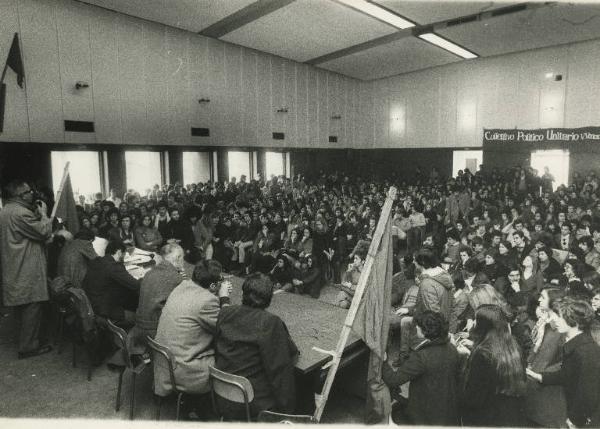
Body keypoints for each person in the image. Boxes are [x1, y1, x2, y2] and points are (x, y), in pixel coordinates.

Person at [215, 273, 298, 418]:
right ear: (269, 300)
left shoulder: (224, 313)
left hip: (221, 395)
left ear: (242, 294)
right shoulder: (270, 323)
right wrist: (287, 412)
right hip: (252, 403)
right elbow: (280, 369)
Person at [154, 259, 232, 397]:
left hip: (164, 364)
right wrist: (224, 298)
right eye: (221, 279)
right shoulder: (208, 301)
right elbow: (227, 329)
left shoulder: (182, 285)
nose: (223, 281)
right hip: (184, 370)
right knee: (232, 355)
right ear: (213, 285)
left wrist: (213, 293)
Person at [0, 180, 54, 359]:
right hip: (26, 267)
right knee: (33, 305)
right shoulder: (21, 213)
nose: (33, 193)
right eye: (29, 191)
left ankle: (24, 339)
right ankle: (28, 347)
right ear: (19, 195)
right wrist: (45, 214)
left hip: (14, 266)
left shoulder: (7, 210)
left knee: (22, 306)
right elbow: (44, 232)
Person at [527, 298, 600, 428]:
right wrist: (540, 376)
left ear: (575, 322)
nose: (554, 320)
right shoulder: (577, 344)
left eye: (559, 317)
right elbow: (567, 374)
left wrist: (575, 420)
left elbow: (589, 393)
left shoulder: (585, 351)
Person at [383, 311, 459, 426]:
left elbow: (393, 380)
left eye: (418, 326)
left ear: (425, 331)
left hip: (425, 416)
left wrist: (383, 361)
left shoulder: (422, 356)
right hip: (447, 412)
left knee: (394, 410)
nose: (416, 328)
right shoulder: (452, 349)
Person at [459, 304, 527, 427]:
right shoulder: (513, 347)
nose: (473, 323)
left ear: (483, 325)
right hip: (509, 415)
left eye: (475, 320)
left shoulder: (482, 354)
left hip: (486, 418)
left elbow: (473, 397)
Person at [128, 243, 185, 354]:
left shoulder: (149, 273)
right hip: (154, 332)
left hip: (138, 326)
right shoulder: (176, 278)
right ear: (178, 258)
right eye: (182, 257)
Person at [524, 287, 567, 428]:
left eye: (543, 297)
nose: (539, 299)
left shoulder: (559, 327)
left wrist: (541, 373)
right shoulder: (543, 322)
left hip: (547, 382)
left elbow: (561, 358)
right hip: (535, 376)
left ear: (553, 301)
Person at [82, 240, 140, 328]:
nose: (124, 256)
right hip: (104, 311)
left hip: (91, 304)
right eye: (124, 254)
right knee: (140, 318)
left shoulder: (96, 261)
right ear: (119, 252)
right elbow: (136, 285)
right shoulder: (113, 267)